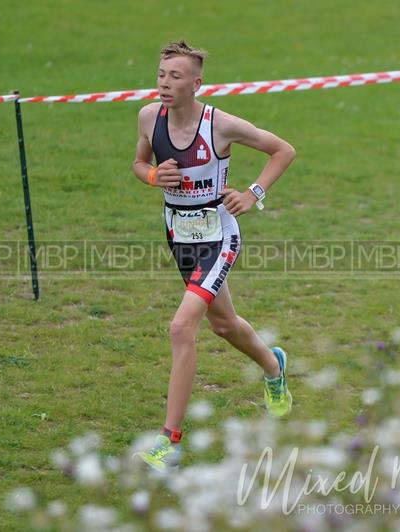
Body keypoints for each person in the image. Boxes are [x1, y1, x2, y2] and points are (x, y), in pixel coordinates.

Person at [130, 41, 296, 473]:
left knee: (181, 327)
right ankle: (272, 366)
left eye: (176, 76)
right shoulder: (150, 117)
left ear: (196, 83)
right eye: (161, 74)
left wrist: (253, 193)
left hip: (218, 237)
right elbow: (138, 162)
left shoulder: (219, 124)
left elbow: (283, 150)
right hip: (179, 235)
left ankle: (169, 442)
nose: (165, 83)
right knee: (223, 324)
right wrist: (151, 175)